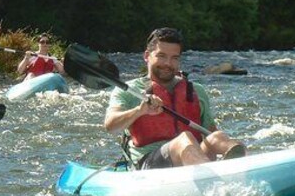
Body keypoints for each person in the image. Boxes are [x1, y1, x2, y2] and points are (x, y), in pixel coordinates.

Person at [104, 27, 246, 170]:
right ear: (147, 56)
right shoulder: (129, 91)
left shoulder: (197, 90)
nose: (168, 63)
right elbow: (110, 125)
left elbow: (210, 131)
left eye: (174, 58)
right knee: (184, 139)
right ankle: (213, 182)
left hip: (194, 160)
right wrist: (139, 110)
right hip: (148, 165)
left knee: (218, 137)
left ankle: (244, 171)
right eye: (162, 56)